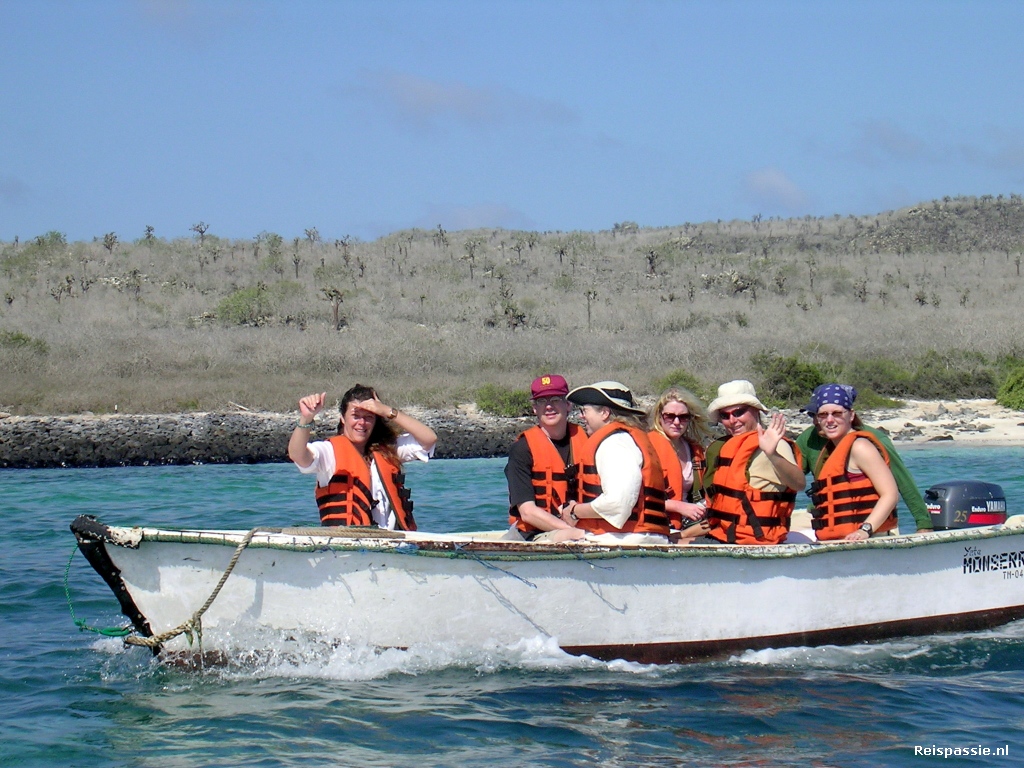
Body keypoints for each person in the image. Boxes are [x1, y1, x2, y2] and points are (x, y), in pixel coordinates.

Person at [288, 384, 437, 530]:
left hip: (391, 541)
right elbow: (298, 456)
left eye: (368, 417)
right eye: (356, 416)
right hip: (347, 542)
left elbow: (429, 439)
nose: (362, 423)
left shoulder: (388, 450)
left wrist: (387, 411)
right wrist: (306, 419)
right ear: (343, 418)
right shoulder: (329, 451)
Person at [797, 384, 933, 533]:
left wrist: (923, 523)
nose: (820, 421)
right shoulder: (809, 438)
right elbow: (792, 478)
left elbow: (901, 482)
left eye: (836, 413)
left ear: (851, 415)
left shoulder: (865, 443)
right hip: (826, 521)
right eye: (817, 415)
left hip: (868, 525)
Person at [561, 381, 670, 544]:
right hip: (638, 538)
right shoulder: (626, 438)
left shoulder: (615, 443)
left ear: (604, 413)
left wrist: (575, 512)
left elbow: (618, 502)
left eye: (585, 411)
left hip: (624, 540)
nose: (581, 417)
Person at [701, 380, 805, 545]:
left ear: (756, 410)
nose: (732, 420)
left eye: (739, 412)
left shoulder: (776, 444)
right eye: (725, 416)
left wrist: (772, 454)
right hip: (723, 535)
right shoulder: (726, 447)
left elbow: (799, 483)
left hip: (755, 540)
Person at [804, 384, 899, 541]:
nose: (829, 420)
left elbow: (890, 494)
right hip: (840, 541)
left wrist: (865, 530)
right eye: (823, 415)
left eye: (837, 413)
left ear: (851, 415)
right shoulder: (832, 450)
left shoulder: (860, 447)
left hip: (867, 539)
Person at [504, 374, 588, 543]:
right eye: (542, 401)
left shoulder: (586, 440)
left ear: (568, 405)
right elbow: (527, 512)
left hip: (582, 526)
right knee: (573, 537)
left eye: (555, 399)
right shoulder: (522, 449)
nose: (549, 406)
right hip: (533, 533)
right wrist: (574, 531)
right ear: (535, 408)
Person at [647, 387, 713, 542]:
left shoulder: (695, 450)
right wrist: (678, 507)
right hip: (658, 522)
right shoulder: (647, 446)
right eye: (670, 416)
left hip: (691, 523)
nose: (676, 422)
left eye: (683, 417)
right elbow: (638, 499)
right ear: (659, 417)